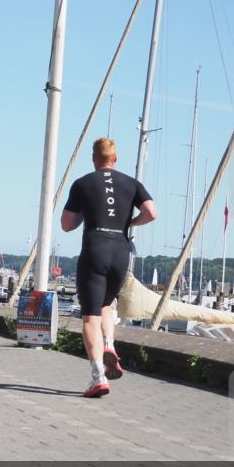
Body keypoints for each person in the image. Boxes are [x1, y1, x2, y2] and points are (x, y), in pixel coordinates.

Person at [61, 137, 157, 398]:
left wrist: (86, 211)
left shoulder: (83, 183)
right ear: (115, 159)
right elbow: (151, 212)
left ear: (94, 159)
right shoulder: (132, 183)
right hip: (120, 250)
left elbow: (67, 224)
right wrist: (130, 223)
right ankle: (110, 345)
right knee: (106, 304)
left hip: (95, 247)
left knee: (90, 317)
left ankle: (98, 376)